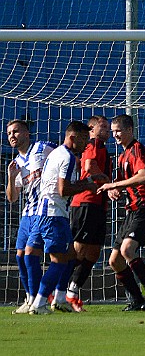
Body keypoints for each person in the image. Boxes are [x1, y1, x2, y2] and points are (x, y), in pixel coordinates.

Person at [27, 121, 98, 315]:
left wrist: (88, 181)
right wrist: (88, 187)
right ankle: (39, 303)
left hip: (44, 212)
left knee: (69, 255)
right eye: (84, 140)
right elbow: (63, 189)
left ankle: (58, 298)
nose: (86, 145)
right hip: (54, 214)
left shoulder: (56, 153)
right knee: (59, 260)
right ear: (73, 137)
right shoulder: (67, 157)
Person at [96, 114, 145, 311]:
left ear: (130, 130)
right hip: (132, 210)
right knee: (114, 261)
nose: (114, 135)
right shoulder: (123, 155)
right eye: (112, 131)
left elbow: (144, 176)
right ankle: (137, 299)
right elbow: (129, 181)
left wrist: (115, 184)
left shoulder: (137, 149)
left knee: (127, 251)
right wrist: (116, 189)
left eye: (118, 131)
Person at [6, 120, 57, 314]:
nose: (12, 135)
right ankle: (29, 299)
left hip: (43, 211)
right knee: (19, 256)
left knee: (30, 255)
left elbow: (65, 157)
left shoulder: (43, 148)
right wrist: (11, 177)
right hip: (27, 213)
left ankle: (39, 299)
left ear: (27, 133)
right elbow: (12, 198)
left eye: (16, 131)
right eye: (9, 132)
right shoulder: (16, 164)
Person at [66, 115, 112, 312]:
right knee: (79, 250)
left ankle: (72, 292)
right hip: (85, 202)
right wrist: (106, 181)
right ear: (92, 129)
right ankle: (54, 288)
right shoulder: (93, 143)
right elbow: (88, 166)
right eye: (104, 127)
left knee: (93, 253)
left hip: (98, 205)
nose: (108, 130)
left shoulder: (101, 146)